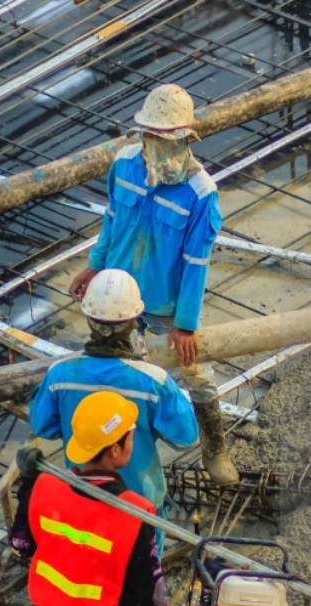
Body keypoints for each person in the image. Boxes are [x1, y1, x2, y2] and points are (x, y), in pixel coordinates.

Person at [65, 83, 238, 486]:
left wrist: (186, 324)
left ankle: (215, 448)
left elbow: (196, 263)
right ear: (142, 134)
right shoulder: (124, 165)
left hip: (164, 305)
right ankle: (119, 445)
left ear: (183, 139)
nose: (155, 145)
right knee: (119, 366)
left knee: (196, 372)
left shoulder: (200, 192)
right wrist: (94, 267)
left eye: (164, 138)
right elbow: (111, 220)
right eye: (150, 136)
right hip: (117, 294)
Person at [17, 391, 179, 606]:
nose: (132, 440)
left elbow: (20, 543)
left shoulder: (45, 484)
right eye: (130, 435)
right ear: (116, 450)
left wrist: (26, 483)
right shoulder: (134, 513)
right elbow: (151, 588)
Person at [28, 269, 199, 520]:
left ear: (89, 318)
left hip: (84, 496)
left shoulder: (59, 375)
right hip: (139, 505)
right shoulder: (153, 382)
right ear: (135, 318)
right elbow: (185, 437)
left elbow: (43, 427)